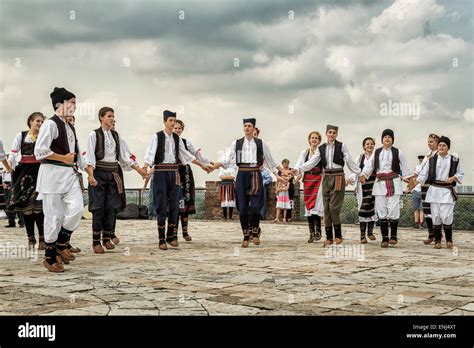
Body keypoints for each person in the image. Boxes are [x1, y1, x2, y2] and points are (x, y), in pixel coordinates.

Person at [209, 118, 287, 248]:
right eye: (245, 126)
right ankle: (246, 235)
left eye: (249, 126)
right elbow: (227, 159)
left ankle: (255, 231)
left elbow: (270, 160)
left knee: (256, 207)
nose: (246, 128)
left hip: (256, 174)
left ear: (254, 128)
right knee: (243, 208)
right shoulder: (237, 143)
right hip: (242, 174)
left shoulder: (261, 143)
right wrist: (215, 165)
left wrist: (281, 172)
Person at [34, 87, 87, 272]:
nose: (75, 106)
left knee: (77, 209)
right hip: (52, 175)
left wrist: (85, 167)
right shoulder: (50, 124)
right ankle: (50, 257)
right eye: (72, 103)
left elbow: (77, 151)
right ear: (61, 104)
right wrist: (63, 158)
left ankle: (62, 243)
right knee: (54, 216)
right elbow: (39, 151)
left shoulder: (69, 125)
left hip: (70, 174)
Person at [143, 110, 211, 250]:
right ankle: (161, 239)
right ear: (165, 121)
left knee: (175, 203)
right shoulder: (156, 137)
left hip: (174, 173)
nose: (173, 123)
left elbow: (185, 155)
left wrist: (203, 166)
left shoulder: (176, 138)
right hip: (160, 172)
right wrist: (144, 168)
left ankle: (170, 236)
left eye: (175, 120)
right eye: (171, 121)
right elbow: (149, 155)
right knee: (161, 204)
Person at [85, 107, 147, 254]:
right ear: (101, 118)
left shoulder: (116, 136)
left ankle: (107, 238)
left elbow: (124, 157)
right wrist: (91, 175)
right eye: (109, 116)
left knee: (111, 207)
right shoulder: (93, 135)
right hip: (99, 173)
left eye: (113, 116)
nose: (112, 119)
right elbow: (90, 158)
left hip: (113, 174)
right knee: (98, 208)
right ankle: (96, 241)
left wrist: (140, 171)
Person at [293, 125, 361, 247]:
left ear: (336, 134)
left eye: (334, 132)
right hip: (326, 178)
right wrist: (299, 169)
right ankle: (329, 237)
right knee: (326, 208)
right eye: (329, 132)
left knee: (334, 208)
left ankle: (338, 235)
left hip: (338, 176)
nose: (331, 134)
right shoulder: (321, 148)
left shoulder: (342, 146)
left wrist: (359, 173)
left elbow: (349, 161)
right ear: (326, 133)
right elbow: (312, 162)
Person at [360, 129, 412, 248]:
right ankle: (384, 238)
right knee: (382, 210)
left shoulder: (398, 152)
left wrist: (410, 180)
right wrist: (363, 175)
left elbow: (405, 166)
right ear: (382, 139)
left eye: (389, 137)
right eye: (385, 137)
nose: (387, 139)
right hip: (379, 184)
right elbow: (369, 165)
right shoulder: (377, 152)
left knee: (393, 209)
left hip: (394, 182)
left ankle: (393, 236)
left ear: (392, 139)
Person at [409, 136, 463, 249]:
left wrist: (453, 177)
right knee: (436, 216)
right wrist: (415, 183)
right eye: (440, 145)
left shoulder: (454, 159)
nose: (441, 147)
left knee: (446, 216)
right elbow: (424, 174)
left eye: (444, 145)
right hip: (434, 191)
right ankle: (437, 241)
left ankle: (449, 239)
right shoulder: (431, 160)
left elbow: (460, 173)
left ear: (448, 147)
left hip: (447, 191)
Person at [7, 112, 46, 249]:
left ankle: (42, 237)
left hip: (40, 171)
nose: (40, 124)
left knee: (39, 206)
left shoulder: (44, 136)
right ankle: (31, 238)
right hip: (24, 172)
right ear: (30, 121)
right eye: (37, 121)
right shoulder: (21, 135)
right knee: (27, 206)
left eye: (42, 122)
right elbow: (13, 152)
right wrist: (10, 163)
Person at [173, 119, 212, 241]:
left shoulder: (186, 143)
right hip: (172, 172)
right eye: (175, 128)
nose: (177, 130)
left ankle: (185, 232)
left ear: (182, 130)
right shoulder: (167, 141)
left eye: (179, 128)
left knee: (185, 201)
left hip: (185, 173)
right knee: (174, 202)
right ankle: (173, 233)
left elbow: (196, 155)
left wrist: (210, 162)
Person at [294, 131, 324, 243]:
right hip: (307, 180)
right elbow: (299, 163)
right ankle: (311, 233)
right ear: (309, 140)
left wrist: (300, 169)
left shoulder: (320, 152)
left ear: (319, 141)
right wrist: (295, 171)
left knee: (317, 205)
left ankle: (318, 231)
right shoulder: (305, 152)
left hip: (318, 179)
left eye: (316, 138)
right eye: (312, 138)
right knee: (308, 206)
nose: (314, 140)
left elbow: (311, 164)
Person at [348, 137, 378, 243]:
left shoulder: (377, 157)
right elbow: (354, 171)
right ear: (364, 146)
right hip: (362, 186)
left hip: (374, 186)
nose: (369, 145)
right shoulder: (360, 158)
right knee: (362, 208)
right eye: (367, 144)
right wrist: (350, 179)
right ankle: (362, 236)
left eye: (371, 144)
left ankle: (370, 232)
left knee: (373, 207)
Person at [413, 134, 439, 244]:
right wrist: (413, 175)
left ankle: (438, 234)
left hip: (434, 185)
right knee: (427, 210)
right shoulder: (428, 155)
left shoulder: (439, 155)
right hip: (425, 185)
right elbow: (421, 167)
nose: (429, 143)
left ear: (437, 142)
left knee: (436, 211)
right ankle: (431, 234)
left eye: (431, 142)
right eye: (428, 142)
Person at [410, 155, 425, 229]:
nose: (421, 160)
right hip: (416, 189)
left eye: (422, 159)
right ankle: (416, 223)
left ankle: (421, 223)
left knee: (422, 208)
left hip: (423, 190)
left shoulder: (426, 168)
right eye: (420, 159)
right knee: (415, 208)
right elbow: (414, 178)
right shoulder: (416, 167)